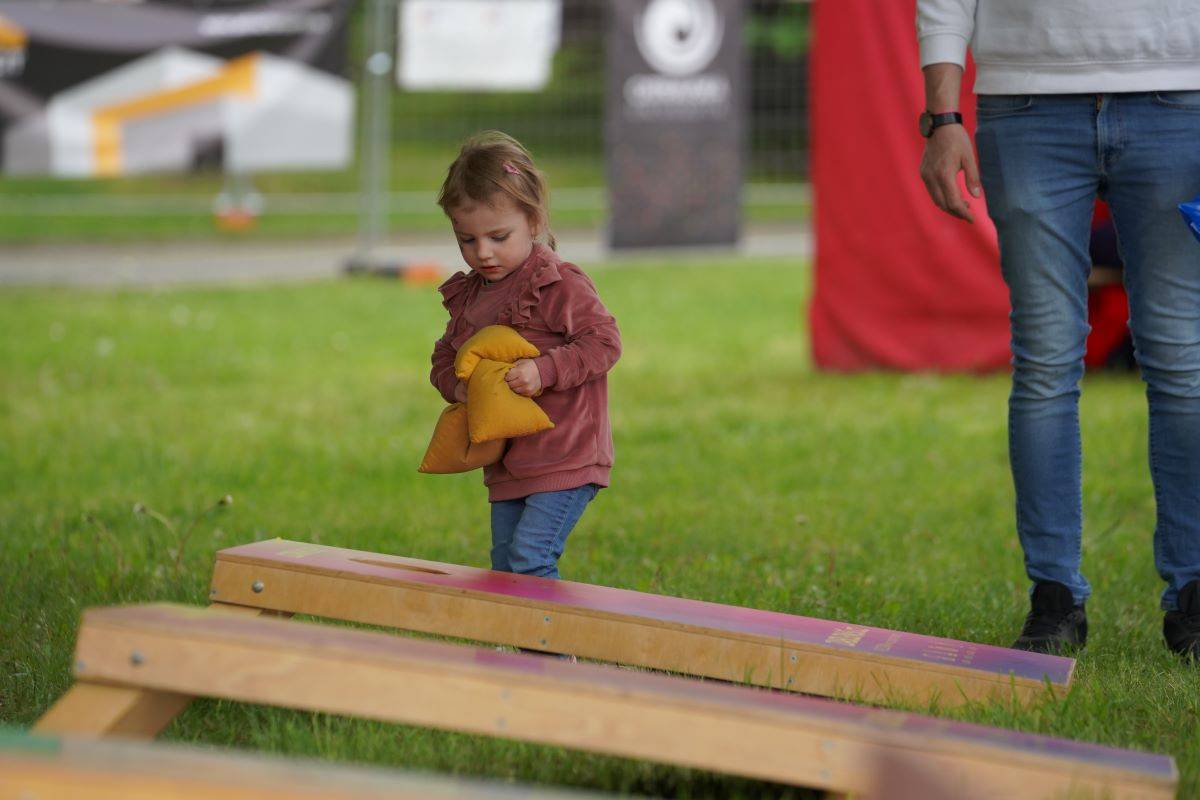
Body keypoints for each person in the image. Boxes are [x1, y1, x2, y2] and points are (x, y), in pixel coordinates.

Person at [916, 1, 1200, 657]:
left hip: (1179, 96)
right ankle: (1054, 600)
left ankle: (1192, 599)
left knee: (1184, 361)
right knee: (1044, 363)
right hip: (1026, 105)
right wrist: (943, 115)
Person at [430, 131, 621, 580]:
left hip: (567, 456)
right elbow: (443, 356)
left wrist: (545, 370)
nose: (483, 253)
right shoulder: (473, 296)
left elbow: (605, 341)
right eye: (467, 240)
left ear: (534, 221)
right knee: (504, 568)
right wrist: (456, 384)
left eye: (498, 236)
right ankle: (518, 651)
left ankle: (554, 652)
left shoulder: (558, 284)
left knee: (530, 557)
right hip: (508, 461)